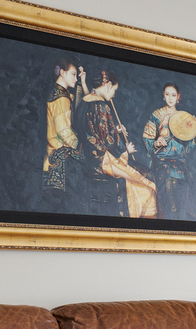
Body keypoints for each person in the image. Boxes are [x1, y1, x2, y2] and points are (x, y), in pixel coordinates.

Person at [77, 70, 158, 218]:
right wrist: (125, 150)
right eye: (114, 90)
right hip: (103, 162)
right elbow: (108, 143)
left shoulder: (85, 102)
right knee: (148, 178)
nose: (113, 94)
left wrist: (115, 129)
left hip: (88, 158)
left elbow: (93, 132)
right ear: (107, 85)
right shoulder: (102, 106)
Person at [142, 83, 196, 219]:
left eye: (173, 95)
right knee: (165, 177)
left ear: (178, 96)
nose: (170, 98)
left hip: (179, 160)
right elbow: (147, 137)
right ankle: (166, 218)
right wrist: (156, 143)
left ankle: (181, 219)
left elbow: (188, 147)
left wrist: (193, 130)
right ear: (163, 95)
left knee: (185, 181)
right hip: (161, 159)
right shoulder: (156, 115)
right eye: (167, 94)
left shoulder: (184, 117)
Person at [41, 57, 88, 204]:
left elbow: (85, 102)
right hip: (60, 157)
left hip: (56, 155)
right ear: (62, 72)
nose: (75, 78)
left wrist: (83, 82)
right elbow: (64, 131)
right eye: (73, 74)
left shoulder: (64, 95)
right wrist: (81, 146)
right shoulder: (61, 98)